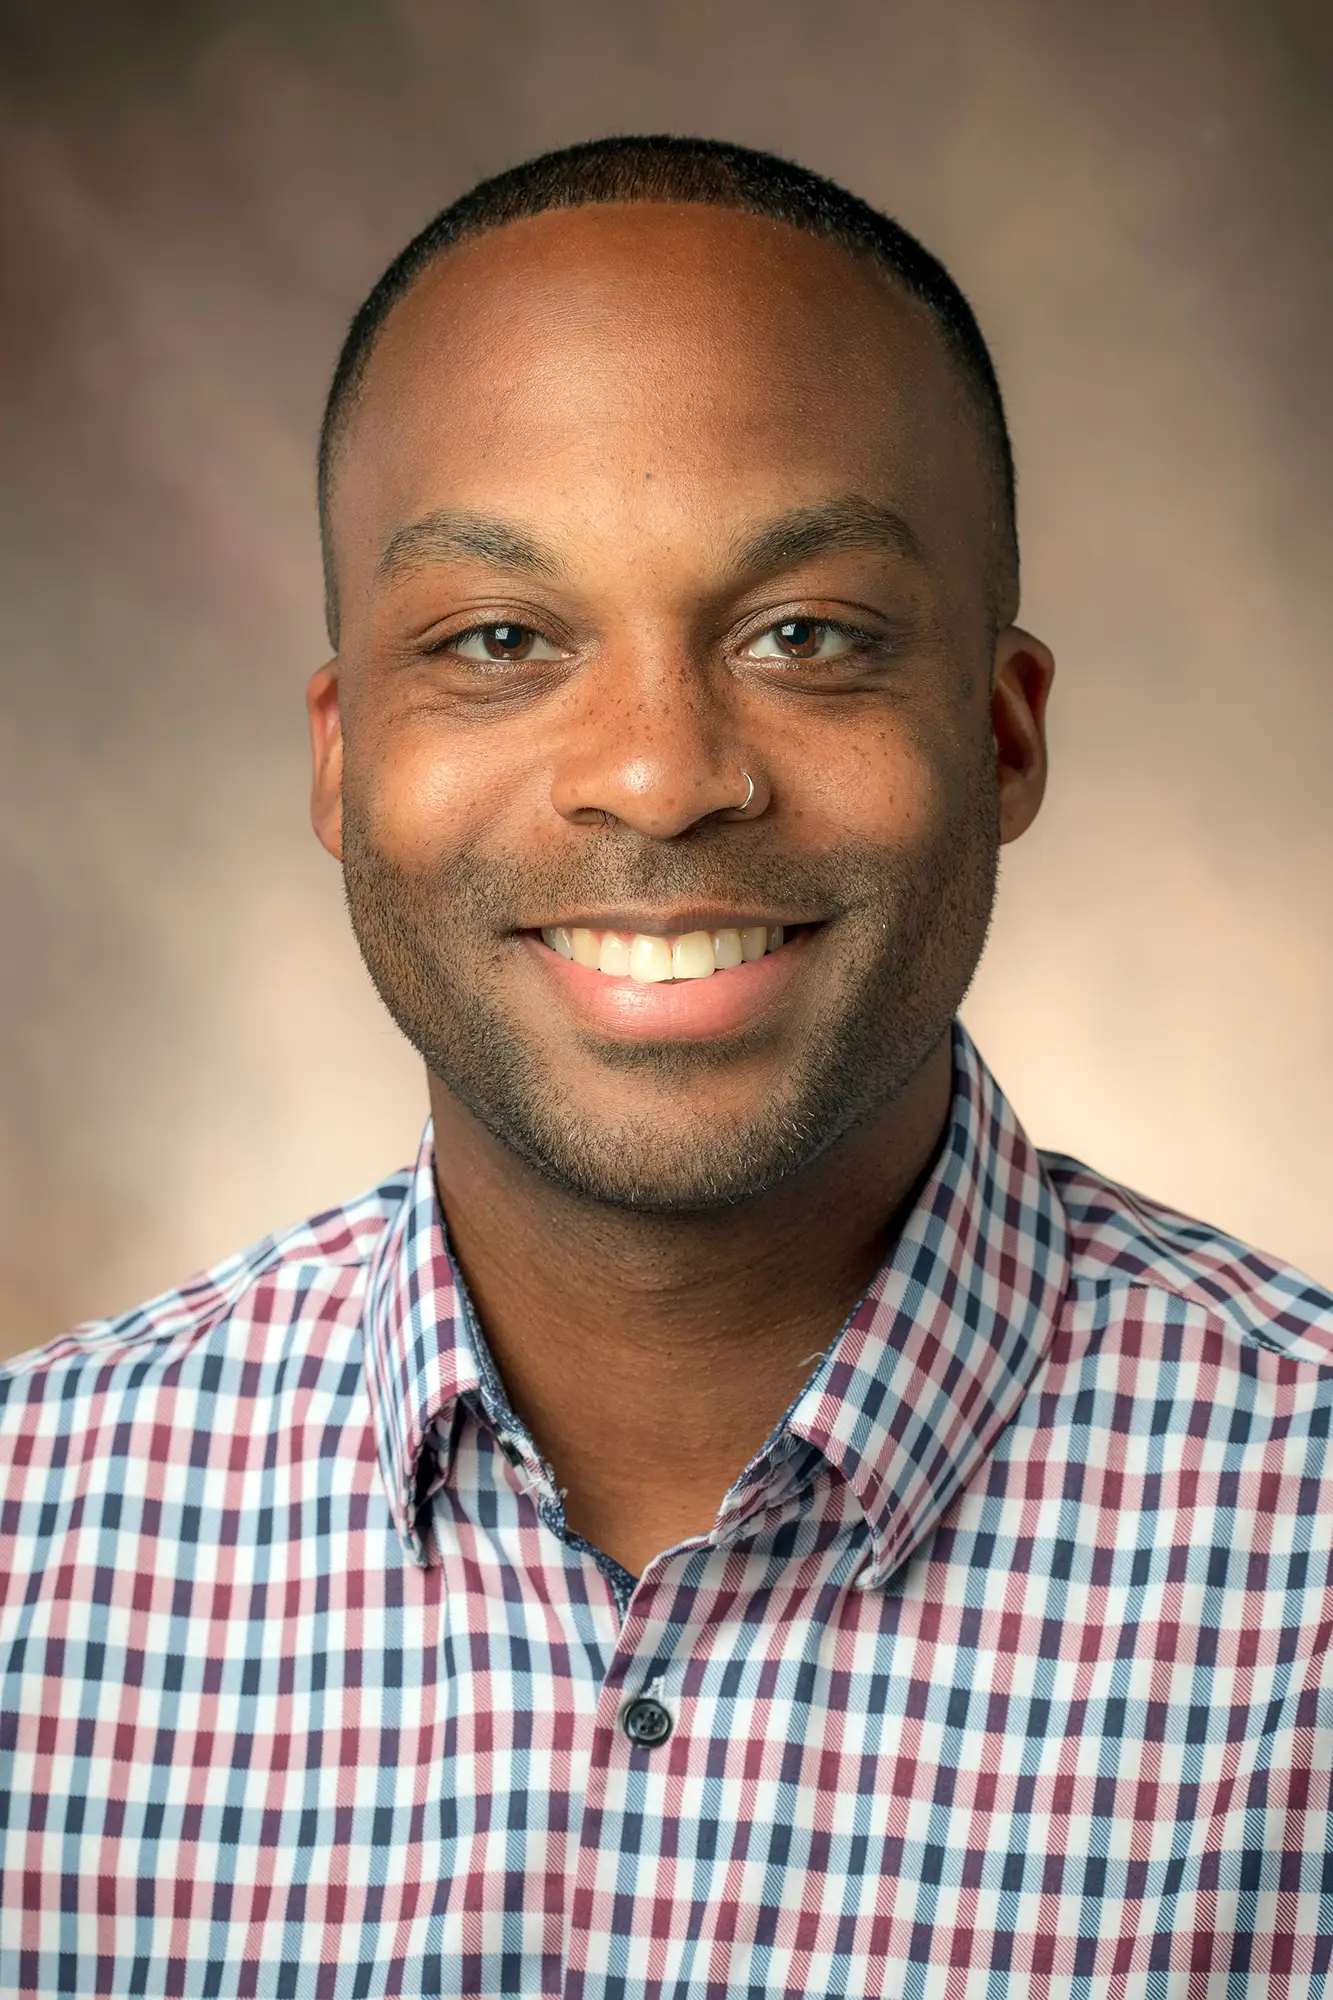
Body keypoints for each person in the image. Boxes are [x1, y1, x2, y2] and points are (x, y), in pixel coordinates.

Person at [2, 135, 1330, 2000]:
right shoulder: (28, 1557)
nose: (657, 770)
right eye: (497, 640)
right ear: (337, 752)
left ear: (1006, 734)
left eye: (805, 636)